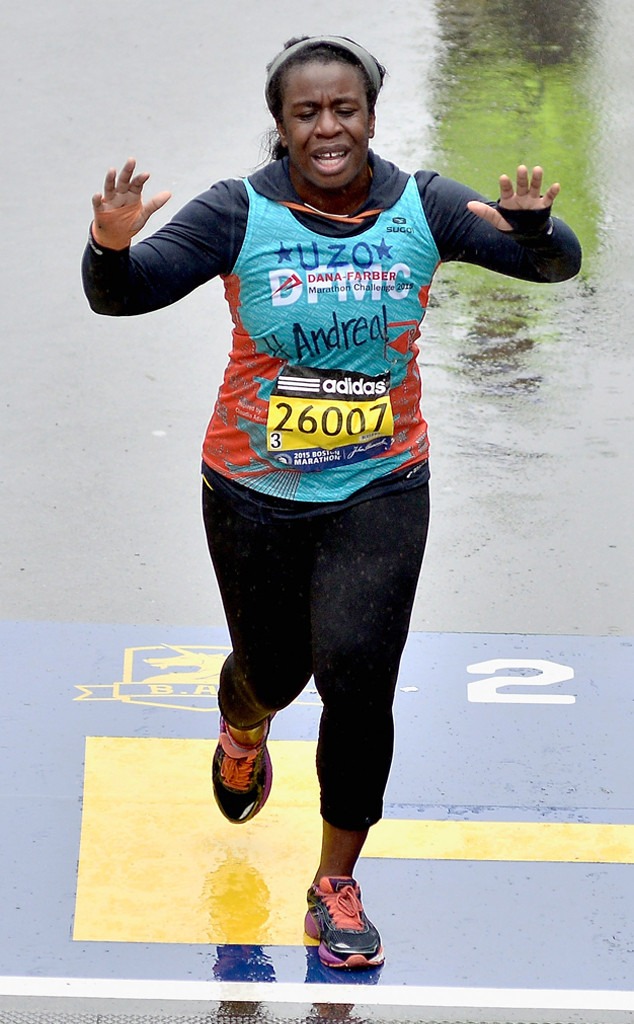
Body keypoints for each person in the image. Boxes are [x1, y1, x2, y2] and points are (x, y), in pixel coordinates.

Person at [82, 34, 582, 970]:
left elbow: (554, 268)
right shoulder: (238, 213)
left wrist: (533, 232)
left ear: (370, 117)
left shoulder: (421, 206)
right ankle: (244, 721)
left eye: (344, 109)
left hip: (381, 484)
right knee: (276, 672)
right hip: (252, 491)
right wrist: (110, 249)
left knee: (359, 674)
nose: (328, 128)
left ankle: (334, 885)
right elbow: (125, 294)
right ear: (280, 126)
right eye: (307, 112)